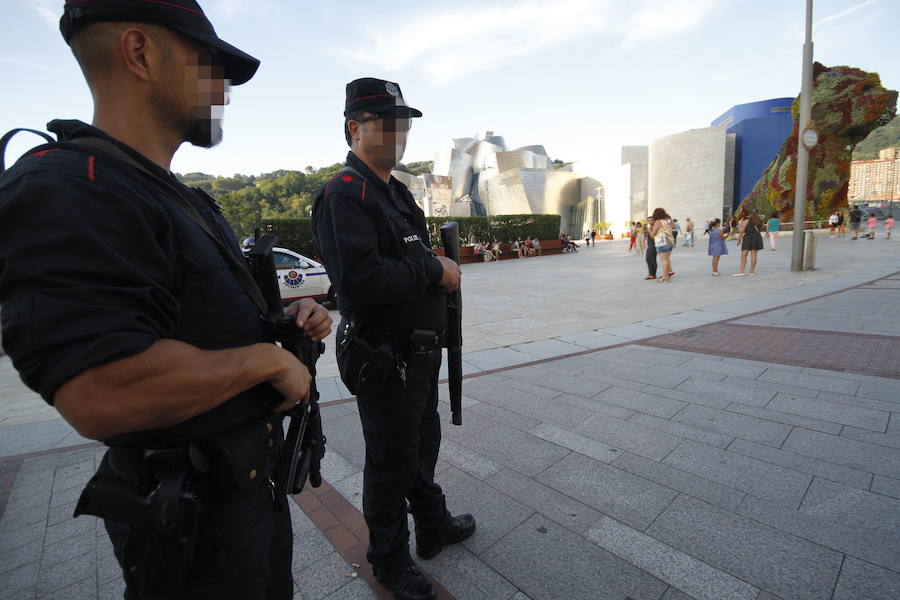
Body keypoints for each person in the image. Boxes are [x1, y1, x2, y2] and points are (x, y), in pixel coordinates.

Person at [0, 2, 334, 598]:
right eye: (211, 66)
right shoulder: (71, 187)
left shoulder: (178, 197)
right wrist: (266, 362)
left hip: (242, 496)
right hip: (189, 526)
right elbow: (100, 390)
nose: (224, 92)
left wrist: (282, 325)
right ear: (139, 52)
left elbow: (198, 319)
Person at [311, 78, 474, 600]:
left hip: (419, 349)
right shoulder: (344, 194)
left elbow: (400, 259)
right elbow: (360, 283)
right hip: (383, 354)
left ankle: (432, 523)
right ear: (354, 128)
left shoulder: (395, 191)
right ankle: (387, 558)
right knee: (389, 460)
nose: (397, 131)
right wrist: (434, 270)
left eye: (401, 121)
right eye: (384, 121)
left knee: (421, 445)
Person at [734, 210, 764, 276]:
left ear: (750, 214)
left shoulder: (747, 221)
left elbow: (742, 230)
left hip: (748, 237)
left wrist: (739, 239)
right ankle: (752, 271)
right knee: (754, 255)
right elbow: (762, 228)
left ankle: (742, 271)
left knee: (744, 255)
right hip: (757, 237)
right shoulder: (760, 221)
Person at [650, 208, 674, 283]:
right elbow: (673, 227)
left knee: (664, 260)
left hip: (662, 242)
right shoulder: (668, 220)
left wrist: (649, 229)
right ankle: (666, 276)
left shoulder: (658, 222)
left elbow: (652, 235)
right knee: (667, 259)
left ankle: (665, 278)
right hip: (670, 241)